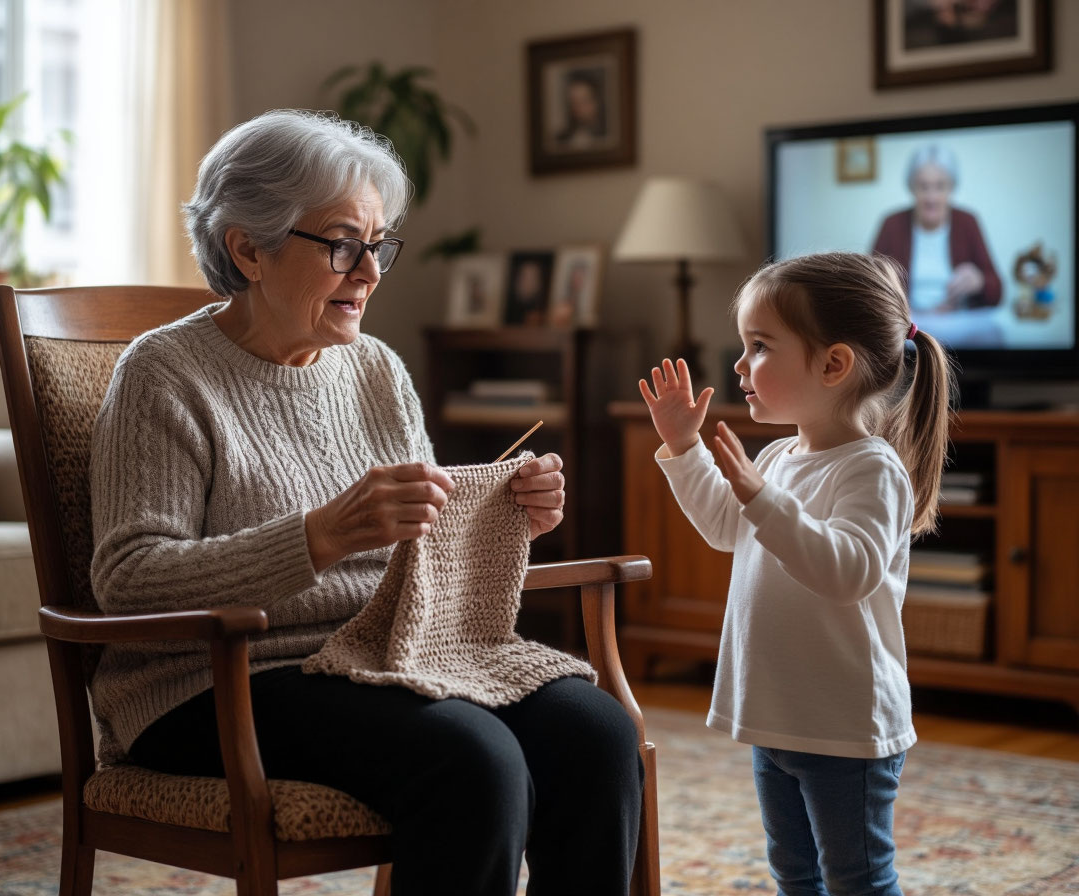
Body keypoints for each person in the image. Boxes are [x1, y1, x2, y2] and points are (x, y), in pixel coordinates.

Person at [89, 109, 642, 896]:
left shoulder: (376, 369)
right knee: (474, 758)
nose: (371, 271)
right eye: (343, 244)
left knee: (597, 734)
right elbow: (128, 578)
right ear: (248, 247)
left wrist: (506, 517)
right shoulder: (164, 373)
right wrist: (316, 537)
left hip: (384, 658)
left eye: (377, 244)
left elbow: (421, 548)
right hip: (216, 681)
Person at [638, 251, 953, 895]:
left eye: (758, 347)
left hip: (845, 723)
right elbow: (726, 527)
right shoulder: (779, 455)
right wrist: (684, 446)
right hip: (778, 711)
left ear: (833, 364)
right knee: (792, 873)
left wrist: (763, 497)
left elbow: (849, 572)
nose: (739, 365)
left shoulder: (871, 469)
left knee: (858, 879)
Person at [872, 143, 1002, 311]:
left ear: (951, 188)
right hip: (907, 325)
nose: (931, 198)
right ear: (912, 188)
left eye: (940, 186)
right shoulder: (891, 224)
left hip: (957, 323)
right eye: (923, 187)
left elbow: (997, 291)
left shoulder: (968, 222)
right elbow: (868, 284)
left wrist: (979, 281)